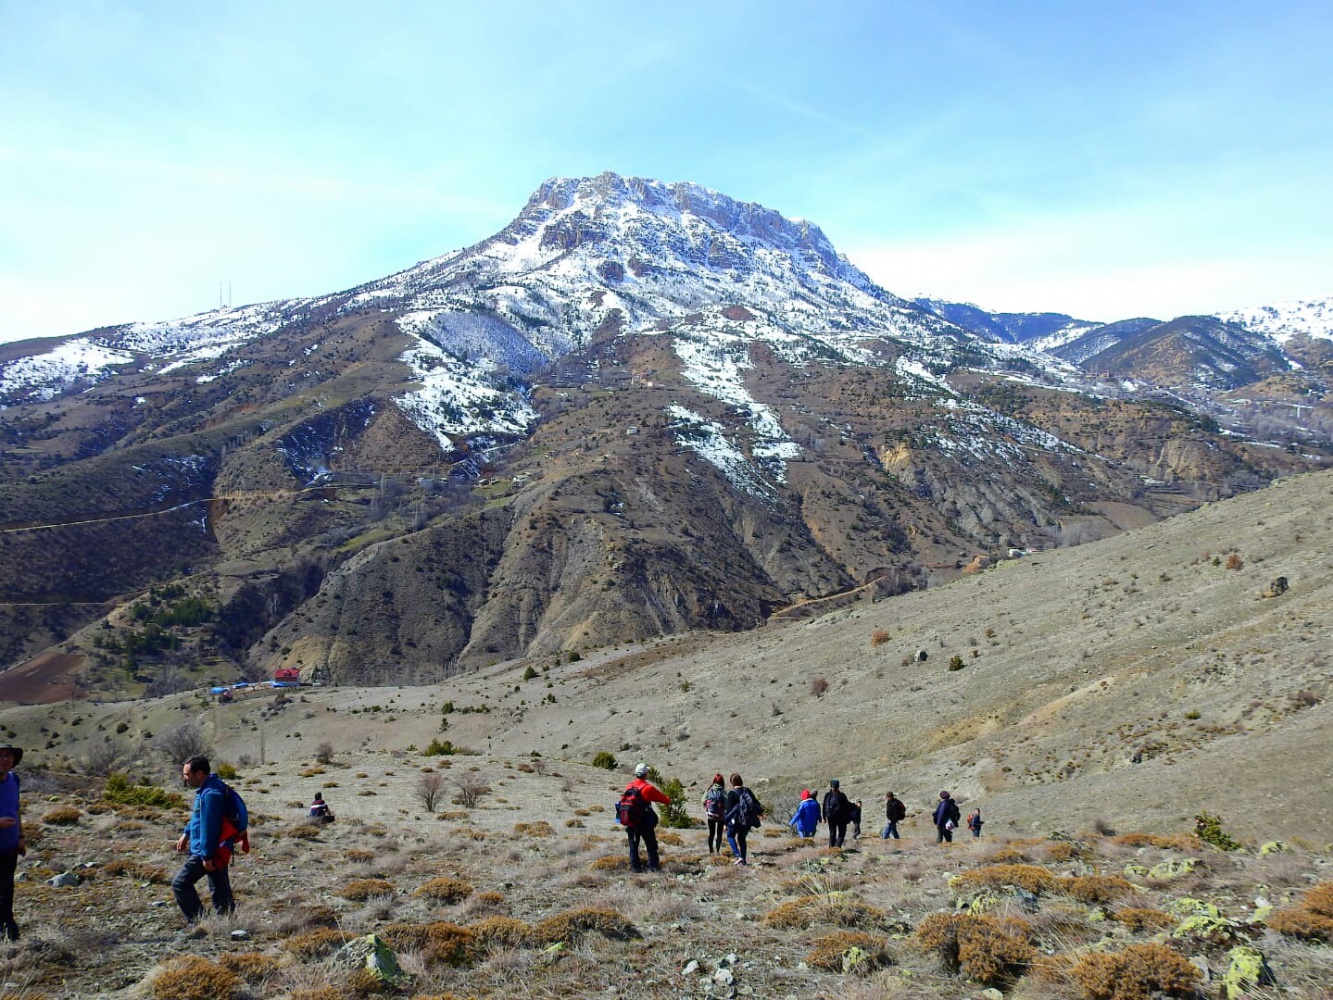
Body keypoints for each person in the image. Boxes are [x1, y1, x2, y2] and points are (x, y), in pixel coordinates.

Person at [173, 755, 237, 921]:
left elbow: (210, 827)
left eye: (187, 774)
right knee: (219, 887)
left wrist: (207, 856)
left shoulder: (210, 795)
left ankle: (199, 921)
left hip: (208, 850)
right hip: (219, 847)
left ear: (199, 773)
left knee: (180, 884)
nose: (185, 778)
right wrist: (187, 833)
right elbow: (198, 817)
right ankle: (228, 922)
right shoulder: (210, 787)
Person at [622, 763, 670, 873]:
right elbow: (664, 799)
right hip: (644, 821)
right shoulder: (648, 788)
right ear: (645, 774)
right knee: (651, 845)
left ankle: (634, 867)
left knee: (633, 845)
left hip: (631, 821)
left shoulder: (629, 786)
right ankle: (652, 867)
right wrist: (668, 800)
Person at [0, 744, 26, 941]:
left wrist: (21, 837)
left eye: (7, 756)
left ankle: (6, 925)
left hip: (9, 847)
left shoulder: (14, 779)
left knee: (7, 888)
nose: (4, 760)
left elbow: (16, 809)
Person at [724, 773, 763, 865]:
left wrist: (725, 823)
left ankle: (738, 856)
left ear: (732, 783)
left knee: (730, 836)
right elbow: (755, 803)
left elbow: (728, 810)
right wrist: (760, 813)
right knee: (742, 839)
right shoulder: (747, 790)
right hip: (747, 821)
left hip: (736, 821)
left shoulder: (732, 793)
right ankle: (744, 860)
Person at [701, 774, 726, 854]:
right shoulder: (723, 791)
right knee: (719, 834)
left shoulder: (709, 790)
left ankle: (711, 850)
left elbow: (703, 800)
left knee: (711, 833)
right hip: (720, 816)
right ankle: (717, 850)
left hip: (710, 815)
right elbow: (726, 805)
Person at [822, 779, 850, 848]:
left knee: (832, 833)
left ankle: (831, 848)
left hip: (830, 817)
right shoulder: (842, 795)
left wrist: (824, 817)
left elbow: (824, 806)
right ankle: (837, 846)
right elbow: (847, 806)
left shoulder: (827, 795)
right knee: (842, 832)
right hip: (841, 817)